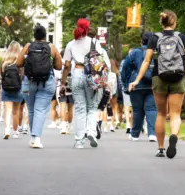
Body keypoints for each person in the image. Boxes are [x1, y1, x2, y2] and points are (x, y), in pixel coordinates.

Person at [129, 11, 185, 159]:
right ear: (174, 22)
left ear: (161, 23)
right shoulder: (181, 37)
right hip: (178, 76)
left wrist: (137, 80)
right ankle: (174, 135)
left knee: (161, 114)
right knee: (175, 113)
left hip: (159, 77)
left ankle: (161, 148)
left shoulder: (155, 38)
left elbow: (146, 61)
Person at [61, 18, 110, 149]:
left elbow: (66, 65)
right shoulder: (94, 42)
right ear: (88, 29)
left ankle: (79, 141)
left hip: (77, 73)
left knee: (80, 108)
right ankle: (92, 133)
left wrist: (62, 82)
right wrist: (104, 80)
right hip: (92, 76)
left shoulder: (71, 44)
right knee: (92, 108)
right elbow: (101, 61)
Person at [16, 24, 63, 148]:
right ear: (45, 35)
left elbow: (18, 63)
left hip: (28, 82)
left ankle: (33, 137)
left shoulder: (28, 46)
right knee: (40, 110)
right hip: (46, 82)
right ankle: (36, 138)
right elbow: (59, 66)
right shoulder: (51, 47)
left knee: (31, 109)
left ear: (34, 36)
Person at [121, 32, 157, 142]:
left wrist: (126, 84)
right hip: (152, 84)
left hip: (136, 84)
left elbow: (125, 69)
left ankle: (135, 134)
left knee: (137, 110)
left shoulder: (135, 52)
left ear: (142, 41)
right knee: (151, 109)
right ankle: (152, 133)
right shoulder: (156, 53)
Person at [0, 41, 24, 139]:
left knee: (8, 110)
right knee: (16, 111)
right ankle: (16, 131)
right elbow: (23, 75)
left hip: (6, 87)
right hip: (18, 88)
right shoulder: (20, 60)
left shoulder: (4, 60)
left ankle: (7, 130)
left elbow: (1, 74)